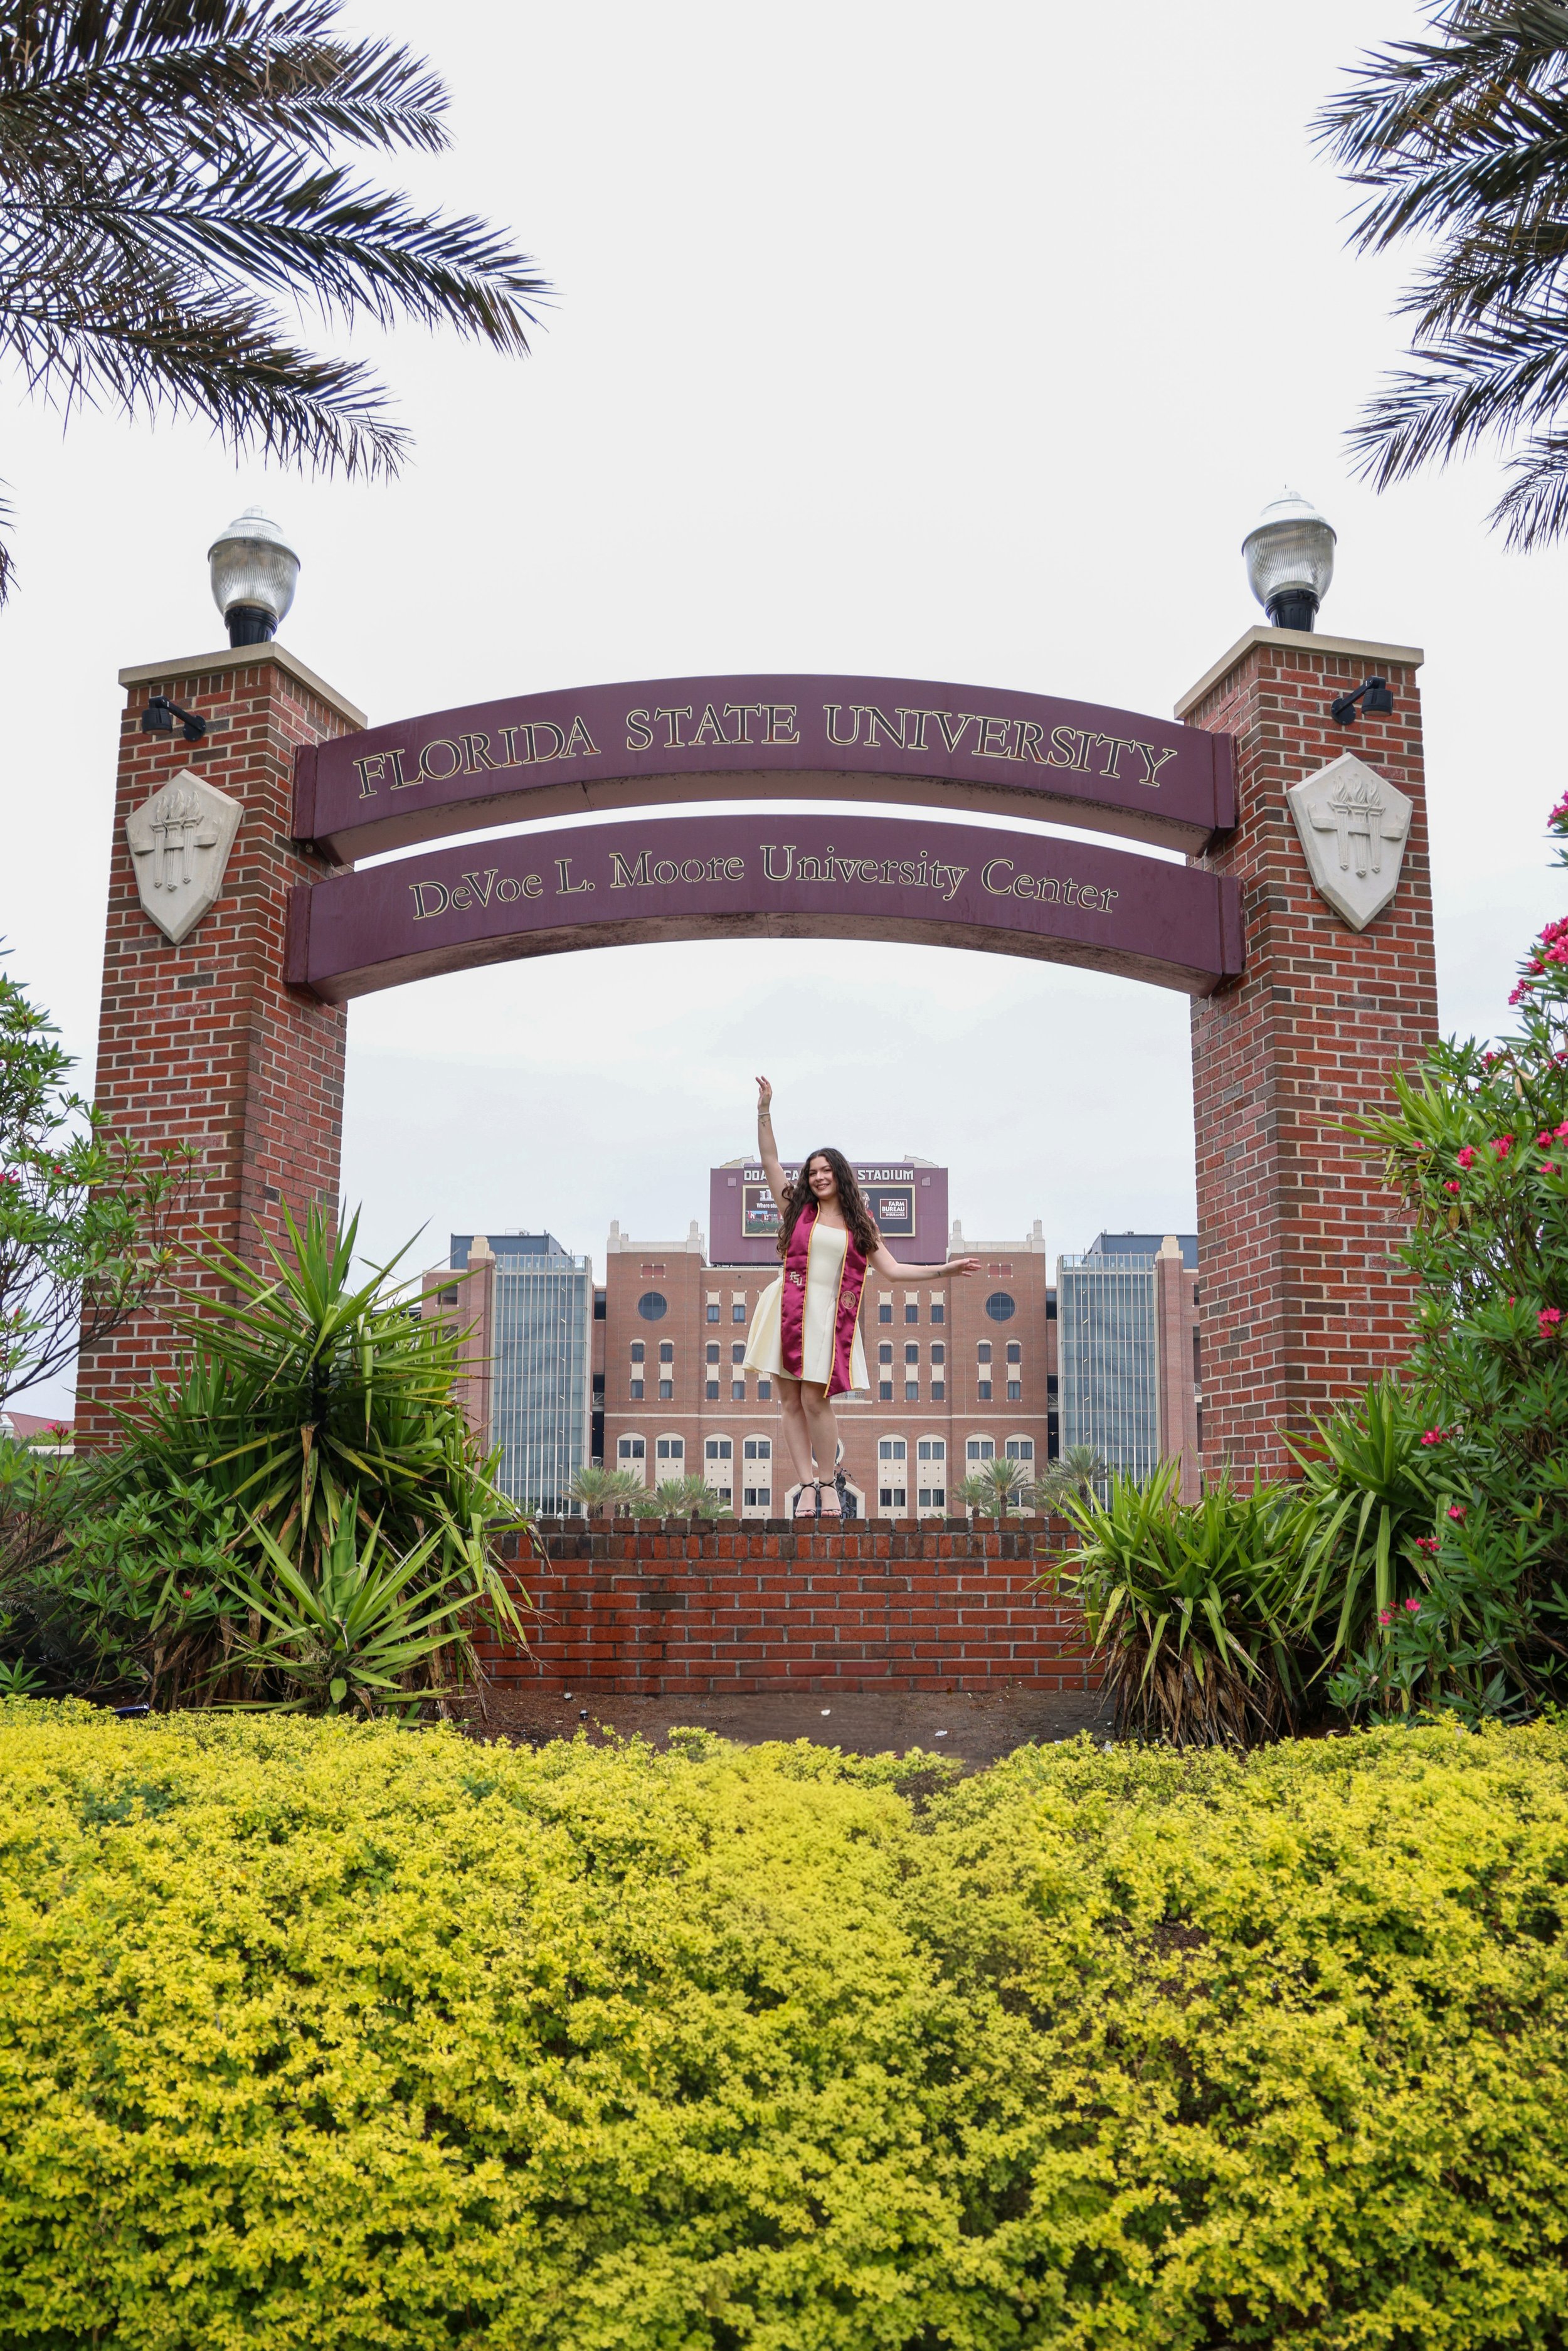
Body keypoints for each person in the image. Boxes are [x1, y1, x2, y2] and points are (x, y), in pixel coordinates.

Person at [743, 1076, 981, 1519]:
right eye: (812, 1173)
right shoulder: (796, 1209)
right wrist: (765, 1111)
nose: (818, 1178)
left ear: (840, 1176)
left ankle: (831, 1483)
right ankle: (807, 1486)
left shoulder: (860, 1226)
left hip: (825, 1319)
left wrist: (944, 1270)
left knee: (817, 1401)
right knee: (790, 1402)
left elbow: (892, 1271)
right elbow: (770, 1159)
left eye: (825, 1171)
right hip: (785, 1306)